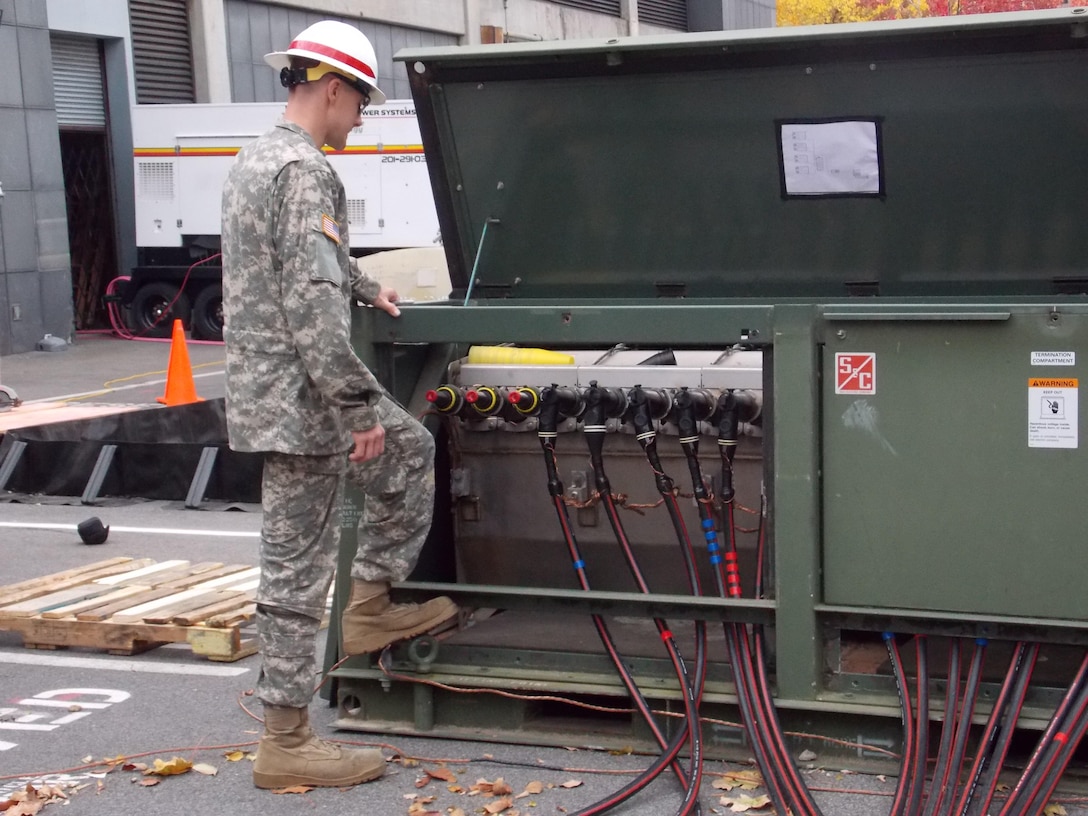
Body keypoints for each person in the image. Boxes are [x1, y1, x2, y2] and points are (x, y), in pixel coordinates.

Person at [220, 20, 457, 791]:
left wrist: (364, 284)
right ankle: (288, 736)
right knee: (295, 567)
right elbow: (310, 310)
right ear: (331, 89)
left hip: (273, 392)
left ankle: (368, 604)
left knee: (401, 457)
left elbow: (292, 262)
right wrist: (357, 411)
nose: (360, 117)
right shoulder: (306, 171)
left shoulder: (258, 160)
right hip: (306, 398)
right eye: (361, 103)